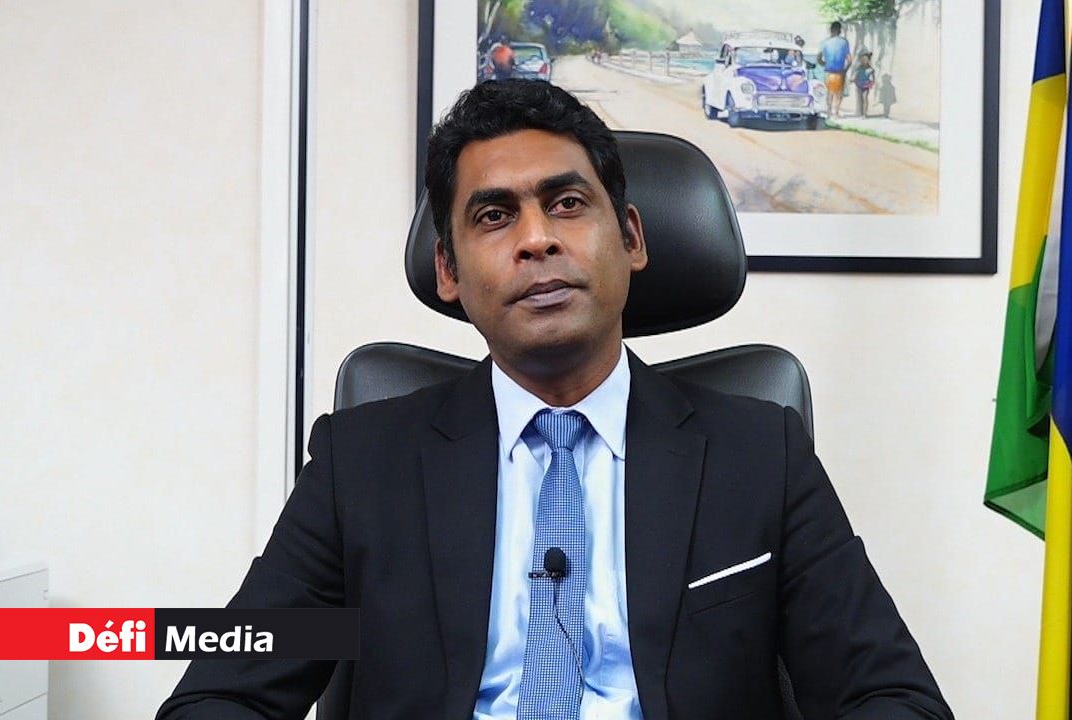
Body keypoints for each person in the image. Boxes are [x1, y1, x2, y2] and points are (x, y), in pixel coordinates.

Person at [156, 80, 952, 720]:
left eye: (567, 203)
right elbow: (225, 694)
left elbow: (891, 697)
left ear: (631, 239)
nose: (536, 238)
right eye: (494, 215)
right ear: (448, 271)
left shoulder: (760, 456)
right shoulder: (360, 467)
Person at [819, 21, 852, 117]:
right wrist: (845, 70)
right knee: (839, 93)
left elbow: (819, 58)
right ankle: (836, 112)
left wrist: (824, 64)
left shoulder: (825, 42)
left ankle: (829, 112)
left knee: (829, 92)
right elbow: (849, 60)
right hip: (839, 72)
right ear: (840, 30)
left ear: (831, 30)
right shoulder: (844, 42)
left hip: (828, 71)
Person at [852, 49, 875, 117]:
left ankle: (864, 113)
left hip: (865, 85)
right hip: (859, 84)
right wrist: (853, 79)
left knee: (865, 98)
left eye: (865, 60)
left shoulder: (870, 69)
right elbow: (856, 75)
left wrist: (871, 83)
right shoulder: (859, 67)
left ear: (868, 60)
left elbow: (872, 78)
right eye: (862, 60)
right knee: (860, 99)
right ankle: (861, 112)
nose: (863, 61)